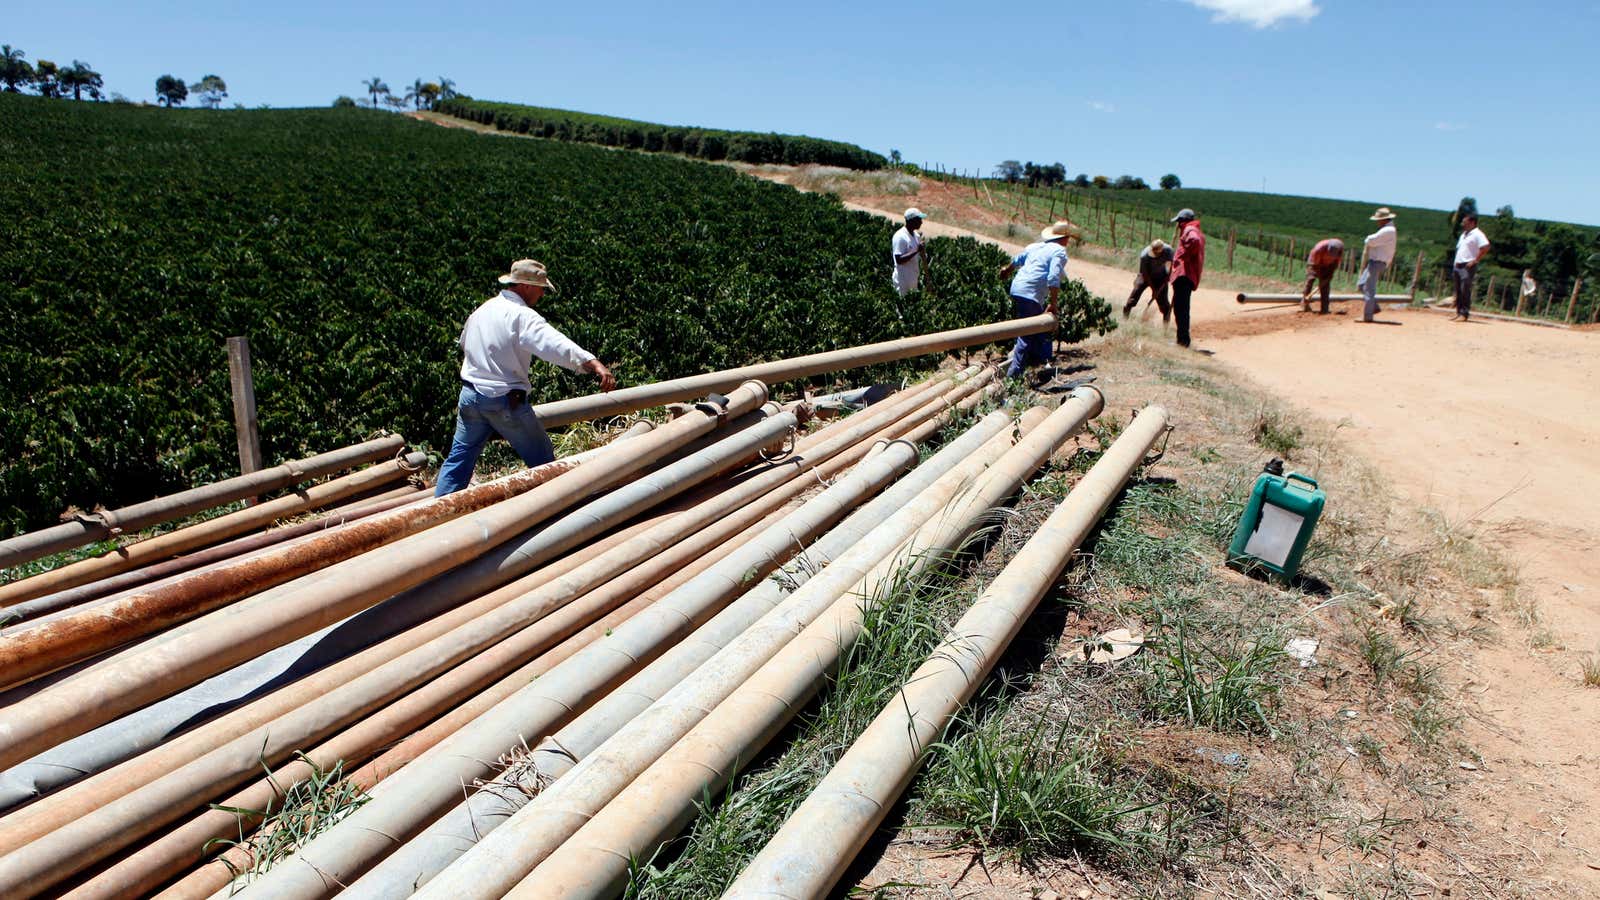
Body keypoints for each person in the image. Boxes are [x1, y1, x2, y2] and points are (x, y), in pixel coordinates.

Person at [435, 259, 616, 496]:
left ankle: (435, 516)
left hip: (470, 397)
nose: (542, 294)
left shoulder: (482, 310)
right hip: (505, 401)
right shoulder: (521, 316)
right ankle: (560, 515)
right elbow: (554, 344)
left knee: (457, 463)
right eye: (541, 288)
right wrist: (593, 364)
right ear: (527, 286)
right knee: (544, 462)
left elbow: (463, 343)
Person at [998, 221, 1079, 380]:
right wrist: (1053, 304)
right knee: (1029, 332)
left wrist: (1006, 271)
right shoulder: (1059, 251)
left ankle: (1038, 364)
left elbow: (1017, 260)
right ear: (1065, 239)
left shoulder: (1035, 246)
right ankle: (1013, 375)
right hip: (1031, 293)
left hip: (1017, 288)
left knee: (1037, 329)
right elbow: (1054, 277)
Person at [1168, 209, 1206, 347]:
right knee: (1180, 308)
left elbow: (1194, 242)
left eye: (1178, 222)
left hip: (1184, 274)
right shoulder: (1193, 229)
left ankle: (1183, 342)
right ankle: (1182, 340)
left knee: (1181, 309)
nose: (1177, 225)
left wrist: (1184, 258)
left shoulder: (1190, 230)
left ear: (1183, 221)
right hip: (1185, 275)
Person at [1358, 208, 1397, 323]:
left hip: (1377, 262)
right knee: (1362, 285)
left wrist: (1367, 239)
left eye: (1378, 220)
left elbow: (1370, 240)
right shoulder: (1388, 229)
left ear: (1383, 220)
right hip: (1376, 262)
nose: (1377, 222)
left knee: (1369, 288)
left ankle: (1368, 316)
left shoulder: (1388, 230)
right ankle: (1374, 307)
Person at [1123, 238, 1174, 322]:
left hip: (1161, 278)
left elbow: (1171, 266)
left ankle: (1165, 328)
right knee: (1135, 293)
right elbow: (1145, 275)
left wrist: (1166, 279)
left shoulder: (1168, 250)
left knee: (1164, 305)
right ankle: (1125, 317)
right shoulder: (1144, 256)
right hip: (1145, 277)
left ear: (1161, 250)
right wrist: (1154, 290)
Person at [1452, 214, 1491, 321]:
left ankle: (1464, 313)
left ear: (1472, 223)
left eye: (1465, 222)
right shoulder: (1463, 235)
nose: (1463, 224)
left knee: (1465, 289)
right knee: (1458, 290)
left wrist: (1475, 260)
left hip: (1467, 265)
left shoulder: (1478, 234)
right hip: (1458, 265)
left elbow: (1486, 247)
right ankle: (1459, 312)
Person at [1301, 238, 1345, 314]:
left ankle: (1325, 309)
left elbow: (1336, 263)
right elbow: (1315, 264)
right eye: (1330, 255)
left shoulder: (1340, 250)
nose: (1331, 257)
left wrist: (1330, 274)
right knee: (1310, 280)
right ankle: (1305, 303)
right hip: (1315, 263)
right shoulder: (1318, 249)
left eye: (1332, 256)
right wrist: (1318, 273)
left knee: (1325, 285)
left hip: (1329, 266)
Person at [891, 208, 928, 295]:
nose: (921, 222)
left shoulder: (916, 236)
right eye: (919, 220)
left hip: (913, 279)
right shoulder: (900, 237)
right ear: (911, 220)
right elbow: (899, 259)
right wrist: (917, 250)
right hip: (902, 281)